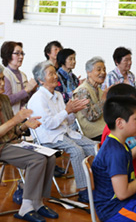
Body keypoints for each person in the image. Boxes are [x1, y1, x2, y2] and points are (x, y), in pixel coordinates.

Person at [0, 63, 58, 222]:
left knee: (50, 156)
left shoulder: (3, 99)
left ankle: (37, 202)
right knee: (36, 160)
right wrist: (16, 120)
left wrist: (24, 125)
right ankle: (25, 207)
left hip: (10, 143)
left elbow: (12, 129)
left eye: (3, 79)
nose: (3, 83)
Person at [28, 61, 98, 203]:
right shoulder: (38, 98)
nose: (56, 76)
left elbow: (67, 122)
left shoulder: (58, 95)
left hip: (63, 132)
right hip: (49, 136)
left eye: (55, 73)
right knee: (77, 151)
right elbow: (49, 125)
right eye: (51, 74)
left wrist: (73, 112)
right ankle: (84, 191)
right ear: (41, 80)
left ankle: (98, 185)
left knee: (95, 147)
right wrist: (67, 110)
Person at [92, 96, 136, 222]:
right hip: (114, 210)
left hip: (121, 204)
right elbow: (122, 193)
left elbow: (126, 158)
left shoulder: (117, 142)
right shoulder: (115, 152)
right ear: (120, 123)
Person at [73, 57, 107, 141]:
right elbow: (90, 116)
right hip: (93, 131)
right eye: (99, 70)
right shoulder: (82, 90)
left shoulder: (99, 89)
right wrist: (103, 100)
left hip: (104, 127)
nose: (103, 73)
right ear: (89, 73)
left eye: (104, 69)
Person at [0, 41, 37, 114]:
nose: (21, 57)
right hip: (10, 116)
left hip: (23, 116)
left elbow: (25, 99)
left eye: (22, 54)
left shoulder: (23, 75)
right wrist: (26, 90)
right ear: (8, 54)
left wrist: (32, 90)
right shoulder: (4, 75)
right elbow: (7, 101)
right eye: (17, 53)